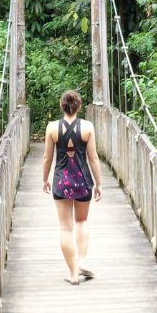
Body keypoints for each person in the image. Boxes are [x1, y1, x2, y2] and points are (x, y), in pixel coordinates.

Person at [42, 90, 103, 285]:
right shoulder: (87, 127)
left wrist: (45, 179)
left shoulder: (52, 128)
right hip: (83, 181)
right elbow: (93, 158)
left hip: (61, 182)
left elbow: (47, 158)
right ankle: (82, 261)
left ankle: (74, 274)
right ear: (78, 106)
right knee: (82, 222)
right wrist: (99, 183)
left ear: (62, 105)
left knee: (66, 229)